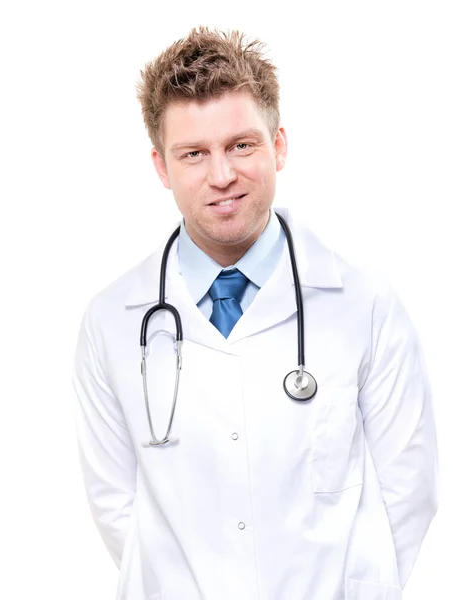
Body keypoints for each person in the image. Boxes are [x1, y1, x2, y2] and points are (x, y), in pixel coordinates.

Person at [72, 25, 439, 600]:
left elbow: (408, 488)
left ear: (279, 145)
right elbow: (115, 503)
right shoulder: (113, 322)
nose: (221, 176)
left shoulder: (364, 304)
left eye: (241, 145)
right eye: (193, 154)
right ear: (162, 167)